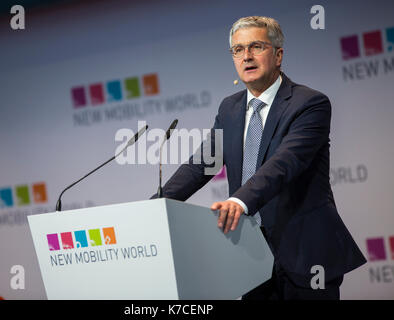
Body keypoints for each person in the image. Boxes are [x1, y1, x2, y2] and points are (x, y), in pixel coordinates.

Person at [153, 16, 366, 300]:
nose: (246, 56)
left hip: (306, 254)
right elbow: (203, 163)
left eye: (256, 46)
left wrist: (240, 200)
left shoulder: (309, 103)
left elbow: (285, 162)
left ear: (278, 55)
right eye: (238, 50)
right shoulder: (230, 108)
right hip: (250, 258)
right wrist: (154, 207)